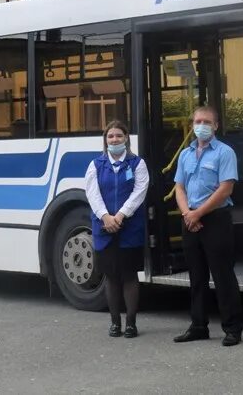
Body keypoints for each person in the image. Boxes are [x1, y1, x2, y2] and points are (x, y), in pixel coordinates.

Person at [172, 106, 243, 347]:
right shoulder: (185, 154)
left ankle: (232, 328)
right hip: (190, 218)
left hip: (215, 219)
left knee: (223, 276)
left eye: (206, 121)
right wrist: (187, 214)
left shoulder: (225, 153)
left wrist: (198, 213)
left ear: (216, 126)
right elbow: (179, 187)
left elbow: (226, 189)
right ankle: (198, 325)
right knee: (196, 276)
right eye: (197, 121)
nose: (200, 125)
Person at [85, 120, 150, 338]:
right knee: (111, 277)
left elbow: (140, 191)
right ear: (105, 140)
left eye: (119, 136)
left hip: (129, 226)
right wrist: (106, 217)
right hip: (104, 227)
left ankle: (130, 323)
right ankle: (115, 323)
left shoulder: (137, 163)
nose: (114, 140)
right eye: (110, 136)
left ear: (126, 139)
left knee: (129, 275)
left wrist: (121, 215)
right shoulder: (95, 165)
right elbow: (92, 194)